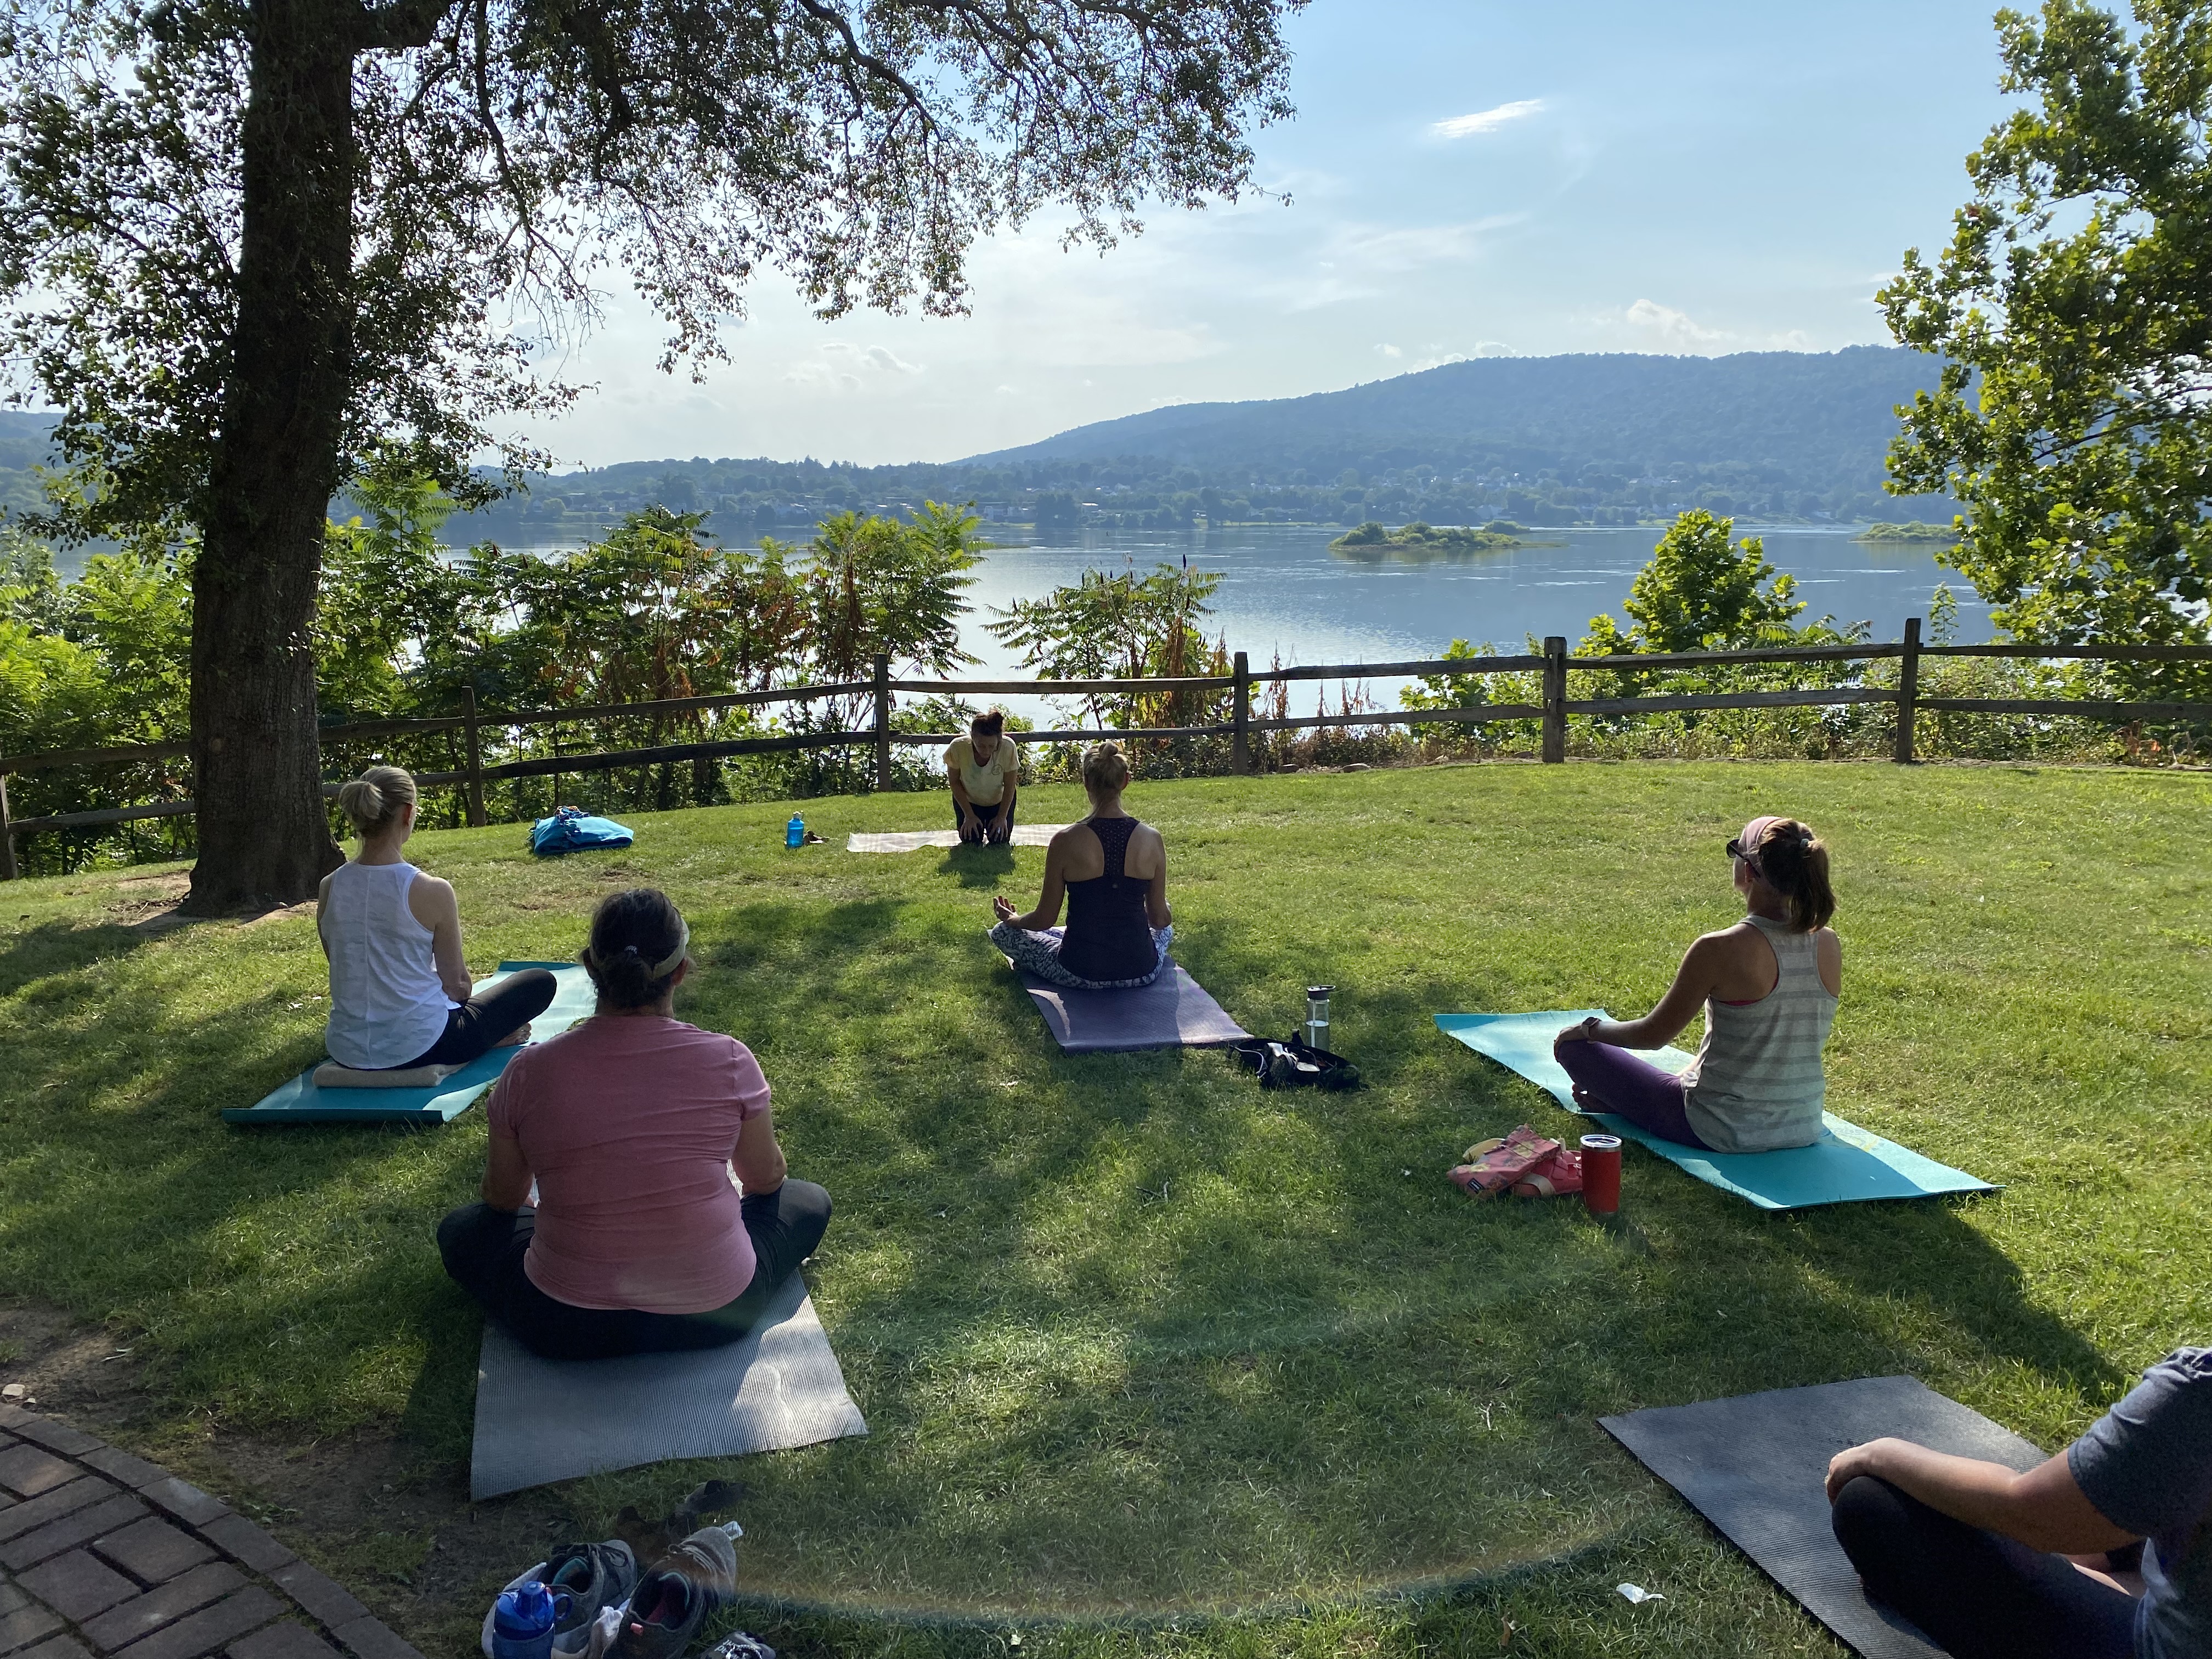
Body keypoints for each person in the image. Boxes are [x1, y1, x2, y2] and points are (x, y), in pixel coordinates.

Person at [436, 888, 832, 1361]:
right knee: (808, 1200)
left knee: (462, 1229)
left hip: (562, 1323)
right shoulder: (729, 1059)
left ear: (589, 966)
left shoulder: (528, 1071)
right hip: (717, 1316)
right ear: (681, 972)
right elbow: (766, 1179)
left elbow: (502, 1199)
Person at [1826, 1346, 2212, 1659]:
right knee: (2134, 1498)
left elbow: (2033, 1514)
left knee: (1872, 1503)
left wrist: (1881, 1454)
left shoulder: (2201, 1389)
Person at [1551, 814, 1840, 1152]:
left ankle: (1623, 1102)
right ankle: (1624, 1102)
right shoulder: (1828, 943)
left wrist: (1589, 1030)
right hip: (1803, 1126)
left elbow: (1652, 1036)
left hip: (1718, 1129)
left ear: (1748, 871)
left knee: (1572, 1047)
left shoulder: (1718, 948)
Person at [319, 765, 555, 1071]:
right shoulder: (431, 889)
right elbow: (458, 987)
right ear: (407, 814)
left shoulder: (329, 886)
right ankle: (488, 1039)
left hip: (346, 1048)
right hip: (424, 1046)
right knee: (538, 981)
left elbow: (343, 965)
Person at [988, 741, 1171, 990]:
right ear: (1125, 781)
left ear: (1086, 781)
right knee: (1165, 929)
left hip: (1079, 971)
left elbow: (1044, 919)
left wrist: (1014, 920)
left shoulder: (1065, 841)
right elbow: (1160, 920)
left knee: (1002, 932)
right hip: (1141, 970)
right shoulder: (1152, 838)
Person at [946, 708, 1020, 844]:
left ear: (999, 740)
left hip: (998, 801)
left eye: (992, 746)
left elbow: (1010, 786)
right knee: (970, 839)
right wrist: (969, 816)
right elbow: (955, 782)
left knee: (999, 839)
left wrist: (1002, 817)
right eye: (981, 746)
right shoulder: (957, 748)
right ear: (972, 738)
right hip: (970, 801)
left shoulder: (1008, 747)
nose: (986, 751)